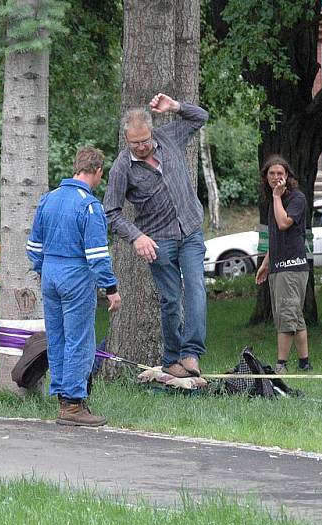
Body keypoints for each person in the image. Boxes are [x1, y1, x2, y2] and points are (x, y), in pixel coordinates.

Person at [103, 93, 209, 379]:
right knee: (171, 299)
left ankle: (191, 353)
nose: (141, 146)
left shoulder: (170, 136)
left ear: (152, 131)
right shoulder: (122, 167)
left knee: (196, 287)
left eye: (145, 140)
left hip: (190, 231)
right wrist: (136, 237)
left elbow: (201, 117)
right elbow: (110, 212)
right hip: (158, 241)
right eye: (134, 143)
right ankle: (172, 359)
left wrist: (176, 107)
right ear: (126, 140)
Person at [27, 146, 122, 426]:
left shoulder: (48, 200)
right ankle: (73, 404)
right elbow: (97, 255)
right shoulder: (89, 206)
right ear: (98, 172)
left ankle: (61, 399)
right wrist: (111, 288)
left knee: (56, 339)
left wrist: (44, 270)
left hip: (50, 275)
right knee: (79, 340)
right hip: (76, 276)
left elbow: (33, 247)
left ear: (76, 167)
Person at [254, 156, 313, 374]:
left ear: (287, 176)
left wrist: (277, 198)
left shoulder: (296, 198)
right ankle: (305, 363)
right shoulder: (273, 202)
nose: (276, 177)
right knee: (294, 316)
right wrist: (266, 264)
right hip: (278, 266)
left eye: (280, 173)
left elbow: (284, 223)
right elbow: (275, 236)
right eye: (272, 174)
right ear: (266, 177)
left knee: (286, 317)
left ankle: (281, 365)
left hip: (292, 266)